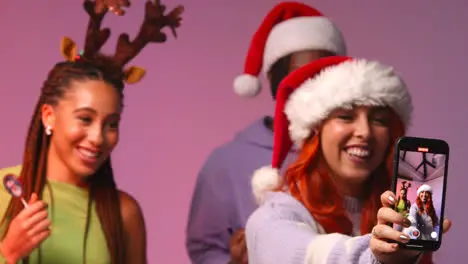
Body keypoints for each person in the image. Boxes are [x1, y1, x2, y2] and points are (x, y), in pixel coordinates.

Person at [0, 0, 183, 263]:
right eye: (85, 119)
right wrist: (10, 253)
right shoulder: (4, 190)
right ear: (48, 116)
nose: (98, 138)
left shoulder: (124, 214)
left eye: (111, 124)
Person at [245, 56, 452, 264]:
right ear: (315, 131)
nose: (364, 132)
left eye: (379, 120)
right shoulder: (272, 218)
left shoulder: (397, 215)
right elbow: (306, 255)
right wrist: (377, 257)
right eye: (345, 116)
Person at [185, 2, 347, 264]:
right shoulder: (226, 162)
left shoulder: (357, 151)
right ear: (274, 79)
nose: (314, 88)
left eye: (323, 75)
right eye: (300, 76)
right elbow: (204, 249)